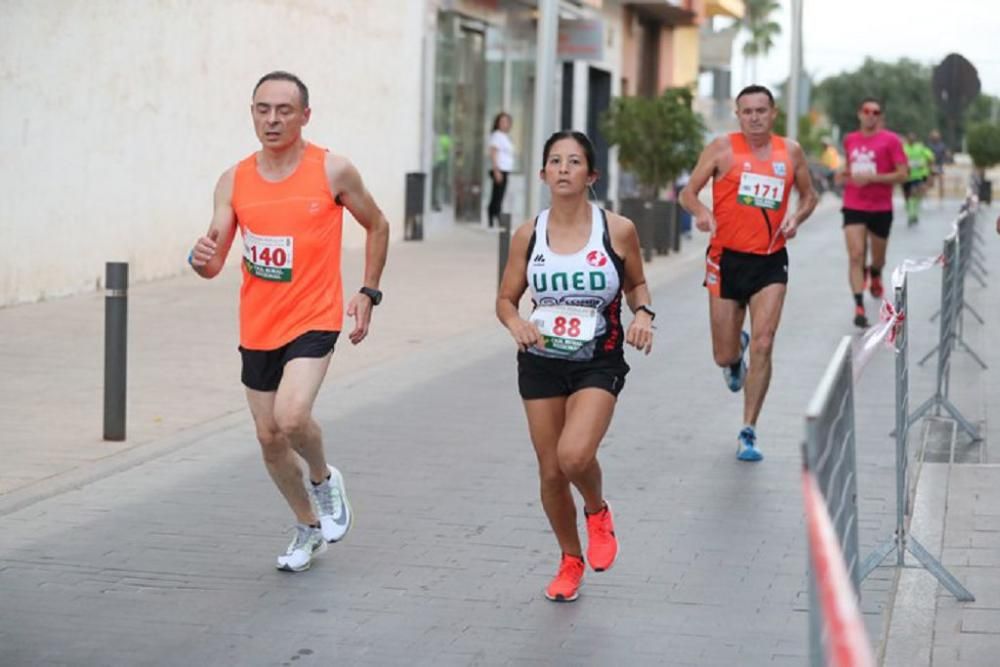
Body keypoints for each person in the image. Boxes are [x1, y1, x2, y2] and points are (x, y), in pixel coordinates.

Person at [188, 71, 390, 572]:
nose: (272, 119)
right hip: (258, 324)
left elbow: (378, 224)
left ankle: (323, 480)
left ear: (305, 115)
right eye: (262, 109)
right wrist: (199, 258)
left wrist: (368, 291)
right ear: (252, 113)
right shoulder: (233, 179)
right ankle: (308, 526)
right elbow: (213, 263)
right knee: (268, 437)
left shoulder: (332, 171)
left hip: (314, 315)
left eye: (283, 110)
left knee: (292, 417)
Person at [496, 130, 654, 602]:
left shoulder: (618, 229)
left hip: (597, 360)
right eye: (555, 161)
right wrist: (515, 323)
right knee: (549, 473)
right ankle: (570, 559)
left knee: (574, 456)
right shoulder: (529, 234)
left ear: (591, 174)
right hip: (541, 361)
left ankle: (597, 510)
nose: (564, 169)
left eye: (574, 162)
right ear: (543, 173)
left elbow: (638, 285)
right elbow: (505, 299)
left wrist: (643, 314)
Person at [679, 84, 818, 462]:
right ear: (738, 115)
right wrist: (703, 214)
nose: (755, 117)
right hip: (725, 259)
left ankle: (749, 429)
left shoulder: (789, 151)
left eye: (762, 110)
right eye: (747, 111)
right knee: (723, 355)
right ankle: (733, 355)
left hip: (770, 260)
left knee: (765, 342)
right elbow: (687, 193)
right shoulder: (722, 148)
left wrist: (796, 217)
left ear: (773, 114)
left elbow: (810, 196)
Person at [839, 97, 908, 327]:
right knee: (856, 254)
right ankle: (859, 305)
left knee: (878, 258)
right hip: (853, 204)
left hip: (880, 207)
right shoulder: (850, 140)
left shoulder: (891, 141)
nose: (871, 115)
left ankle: (875, 272)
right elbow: (848, 167)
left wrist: (873, 178)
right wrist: (844, 175)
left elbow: (902, 174)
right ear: (859, 113)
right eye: (867, 111)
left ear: (880, 116)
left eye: (876, 112)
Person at [487, 112, 515, 229]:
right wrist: (496, 170)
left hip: (505, 169)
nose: (505, 124)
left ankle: (495, 217)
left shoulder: (505, 137)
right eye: (502, 121)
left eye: (507, 122)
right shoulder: (497, 135)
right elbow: (493, 153)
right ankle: (494, 217)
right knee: (497, 195)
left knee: (500, 195)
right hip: (499, 169)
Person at [902, 132, 935, 225]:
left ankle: (913, 214)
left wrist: (929, 169)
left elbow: (930, 157)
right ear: (907, 139)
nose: (911, 140)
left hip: (918, 175)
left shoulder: (920, 148)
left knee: (916, 193)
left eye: (913, 138)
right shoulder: (903, 148)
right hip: (906, 176)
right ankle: (910, 209)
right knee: (907, 195)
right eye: (910, 138)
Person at [927, 129, 951, 200]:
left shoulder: (942, 145)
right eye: (934, 136)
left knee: (941, 181)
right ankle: (926, 195)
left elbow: (946, 152)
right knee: (930, 182)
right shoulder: (929, 145)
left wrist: (948, 157)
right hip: (931, 165)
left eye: (937, 136)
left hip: (939, 165)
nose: (935, 138)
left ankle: (941, 196)